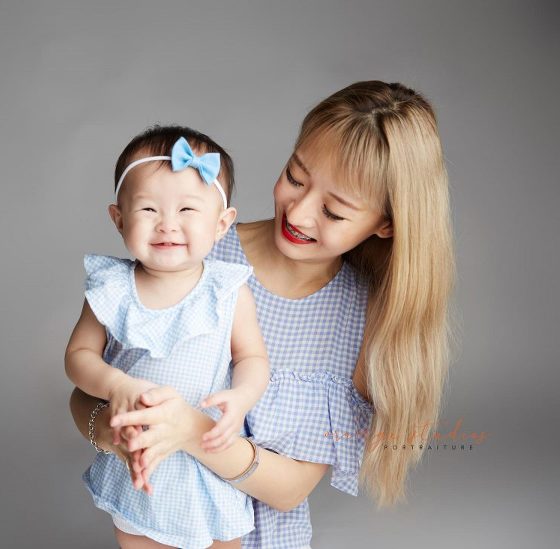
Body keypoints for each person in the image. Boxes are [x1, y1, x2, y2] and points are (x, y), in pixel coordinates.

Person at [70, 81, 455, 548]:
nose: (300, 212)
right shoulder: (193, 253)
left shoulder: (360, 321)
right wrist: (119, 432)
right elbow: (83, 396)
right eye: (295, 177)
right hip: (156, 515)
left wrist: (192, 431)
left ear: (386, 223)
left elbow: (289, 490)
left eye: (334, 212)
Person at [65, 126, 271, 548]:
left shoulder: (228, 289)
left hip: (205, 448)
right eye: (148, 210)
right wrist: (115, 384)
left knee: (222, 540)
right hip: (139, 456)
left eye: (187, 211)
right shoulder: (113, 288)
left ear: (221, 224)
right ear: (119, 219)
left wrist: (243, 396)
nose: (167, 225)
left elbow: (252, 357)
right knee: (139, 536)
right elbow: (78, 356)